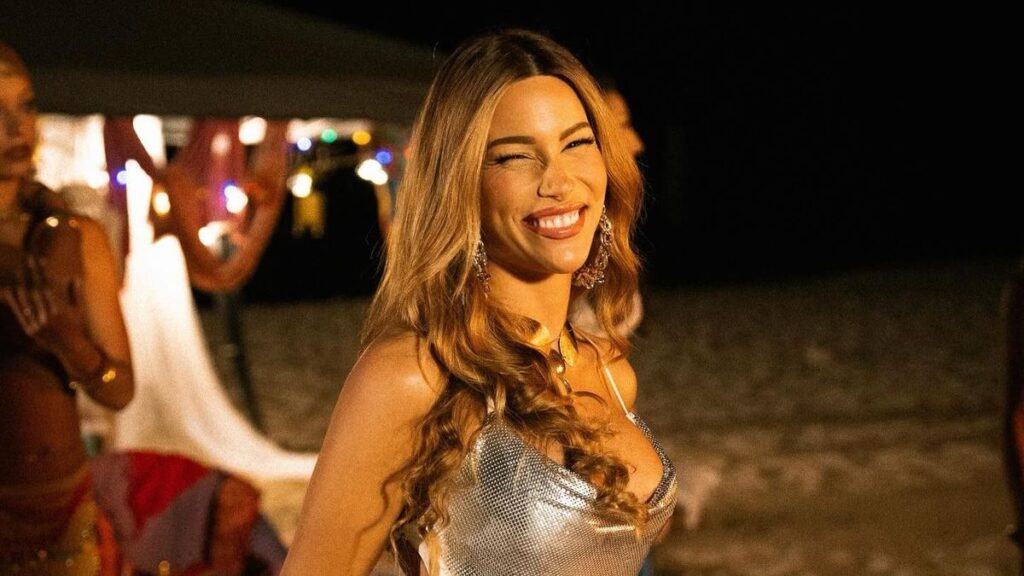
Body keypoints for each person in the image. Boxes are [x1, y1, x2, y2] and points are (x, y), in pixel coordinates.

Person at [284, 29, 676, 575]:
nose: (558, 181)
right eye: (514, 156)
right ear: (461, 182)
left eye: (577, 143)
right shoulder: (416, 375)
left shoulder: (608, 369)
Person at [0, 42, 134, 574]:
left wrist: (66, 341)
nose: (17, 127)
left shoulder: (77, 238)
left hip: (65, 512)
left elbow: (120, 390)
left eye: (26, 106)